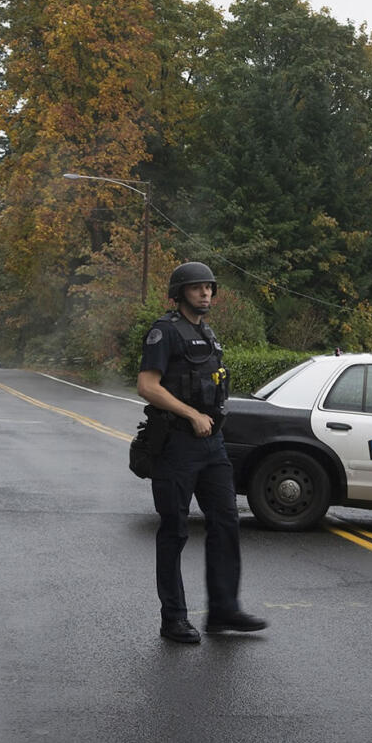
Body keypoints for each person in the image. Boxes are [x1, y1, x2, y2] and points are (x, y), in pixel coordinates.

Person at [137, 262, 268, 644]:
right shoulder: (164, 332)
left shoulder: (206, 333)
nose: (205, 293)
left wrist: (206, 417)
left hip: (211, 445)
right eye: (197, 288)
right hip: (176, 443)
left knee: (226, 523)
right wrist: (191, 413)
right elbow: (147, 385)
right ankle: (173, 618)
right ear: (179, 294)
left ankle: (223, 610)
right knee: (175, 530)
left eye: (209, 288)